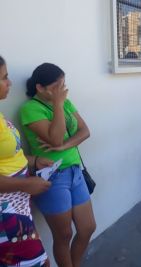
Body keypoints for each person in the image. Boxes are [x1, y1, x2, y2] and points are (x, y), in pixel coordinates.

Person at [20, 63, 96, 267]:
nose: (63, 90)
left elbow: (84, 131)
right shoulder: (30, 109)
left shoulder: (65, 102)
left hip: (74, 171)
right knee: (64, 235)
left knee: (87, 227)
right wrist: (58, 105)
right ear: (40, 88)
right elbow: (54, 138)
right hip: (53, 176)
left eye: (64, 84)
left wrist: (65, 144)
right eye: (57, 85)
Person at [0, 55, 51, 266]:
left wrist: (34, 160)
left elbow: (9, 156)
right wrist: (26, 184)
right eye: (4, 77)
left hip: (17, 202)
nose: (9, 82)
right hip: (6, 209)